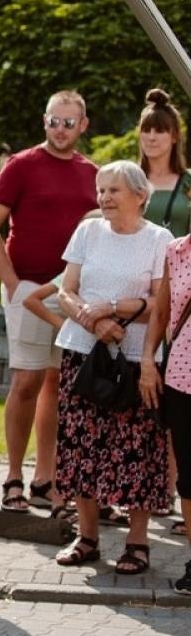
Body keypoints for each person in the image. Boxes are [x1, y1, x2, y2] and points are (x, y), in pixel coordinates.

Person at [29, 162, 170, 574]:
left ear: (140, 196)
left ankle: (138, 542)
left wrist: (114, 310)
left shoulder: (159, 239)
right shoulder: (87, 232)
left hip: (135, 359)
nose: (104, 197)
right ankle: (87, 537)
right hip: (81, 352)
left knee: (138, 448)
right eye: (101, 190)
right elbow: (66, 291)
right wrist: (93, 320)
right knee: (80, 446)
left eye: (113, 190)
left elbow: (161, 305)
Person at [0, 91, 98, 513]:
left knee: (59, 388)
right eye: (53, 121)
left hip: (73, 295)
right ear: (43, 122)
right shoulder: (22, 165)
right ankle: (13, 477)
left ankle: (46, 480)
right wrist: (10, 281)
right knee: (26, 382)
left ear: (83, 125)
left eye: (69, 123)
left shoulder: (93, 174)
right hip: (27, 289)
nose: (60, 130)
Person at [140, 209, 191, 592]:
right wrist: (146, 361)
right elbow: (161, 312)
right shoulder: (177, 250)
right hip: (182, 377)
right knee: (189, 477)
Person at [138, 88, 190, 238]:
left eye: (160, 131)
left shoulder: (188, 182)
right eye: (146, 130)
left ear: (174, 136)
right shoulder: (128, 179)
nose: (151, 137)